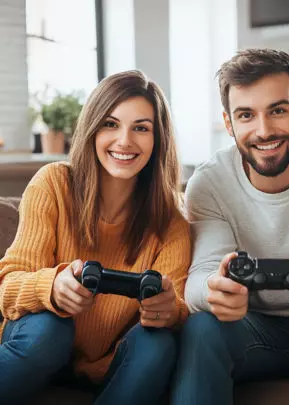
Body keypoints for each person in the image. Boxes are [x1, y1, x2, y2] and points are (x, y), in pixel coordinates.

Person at [171, 48, 289, 405]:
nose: (263, 130)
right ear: (229, 124)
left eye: (278, 110)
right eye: (246, 115)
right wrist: (214, 289)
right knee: (202, 328)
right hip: (249, 330)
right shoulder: (209, 183)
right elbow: (200, 278)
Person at [0, 70, 191, 405]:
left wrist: (169, 310)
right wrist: (52, 287)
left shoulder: (170, 219)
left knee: (159, 342)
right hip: (37, 345)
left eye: (141, 128)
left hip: (110, 362)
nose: (124, 141)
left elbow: (179, 308)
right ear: (92, 128)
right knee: (51, 329)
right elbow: (7, 284)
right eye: (110, 124)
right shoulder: (53, 184)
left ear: (157, 139)